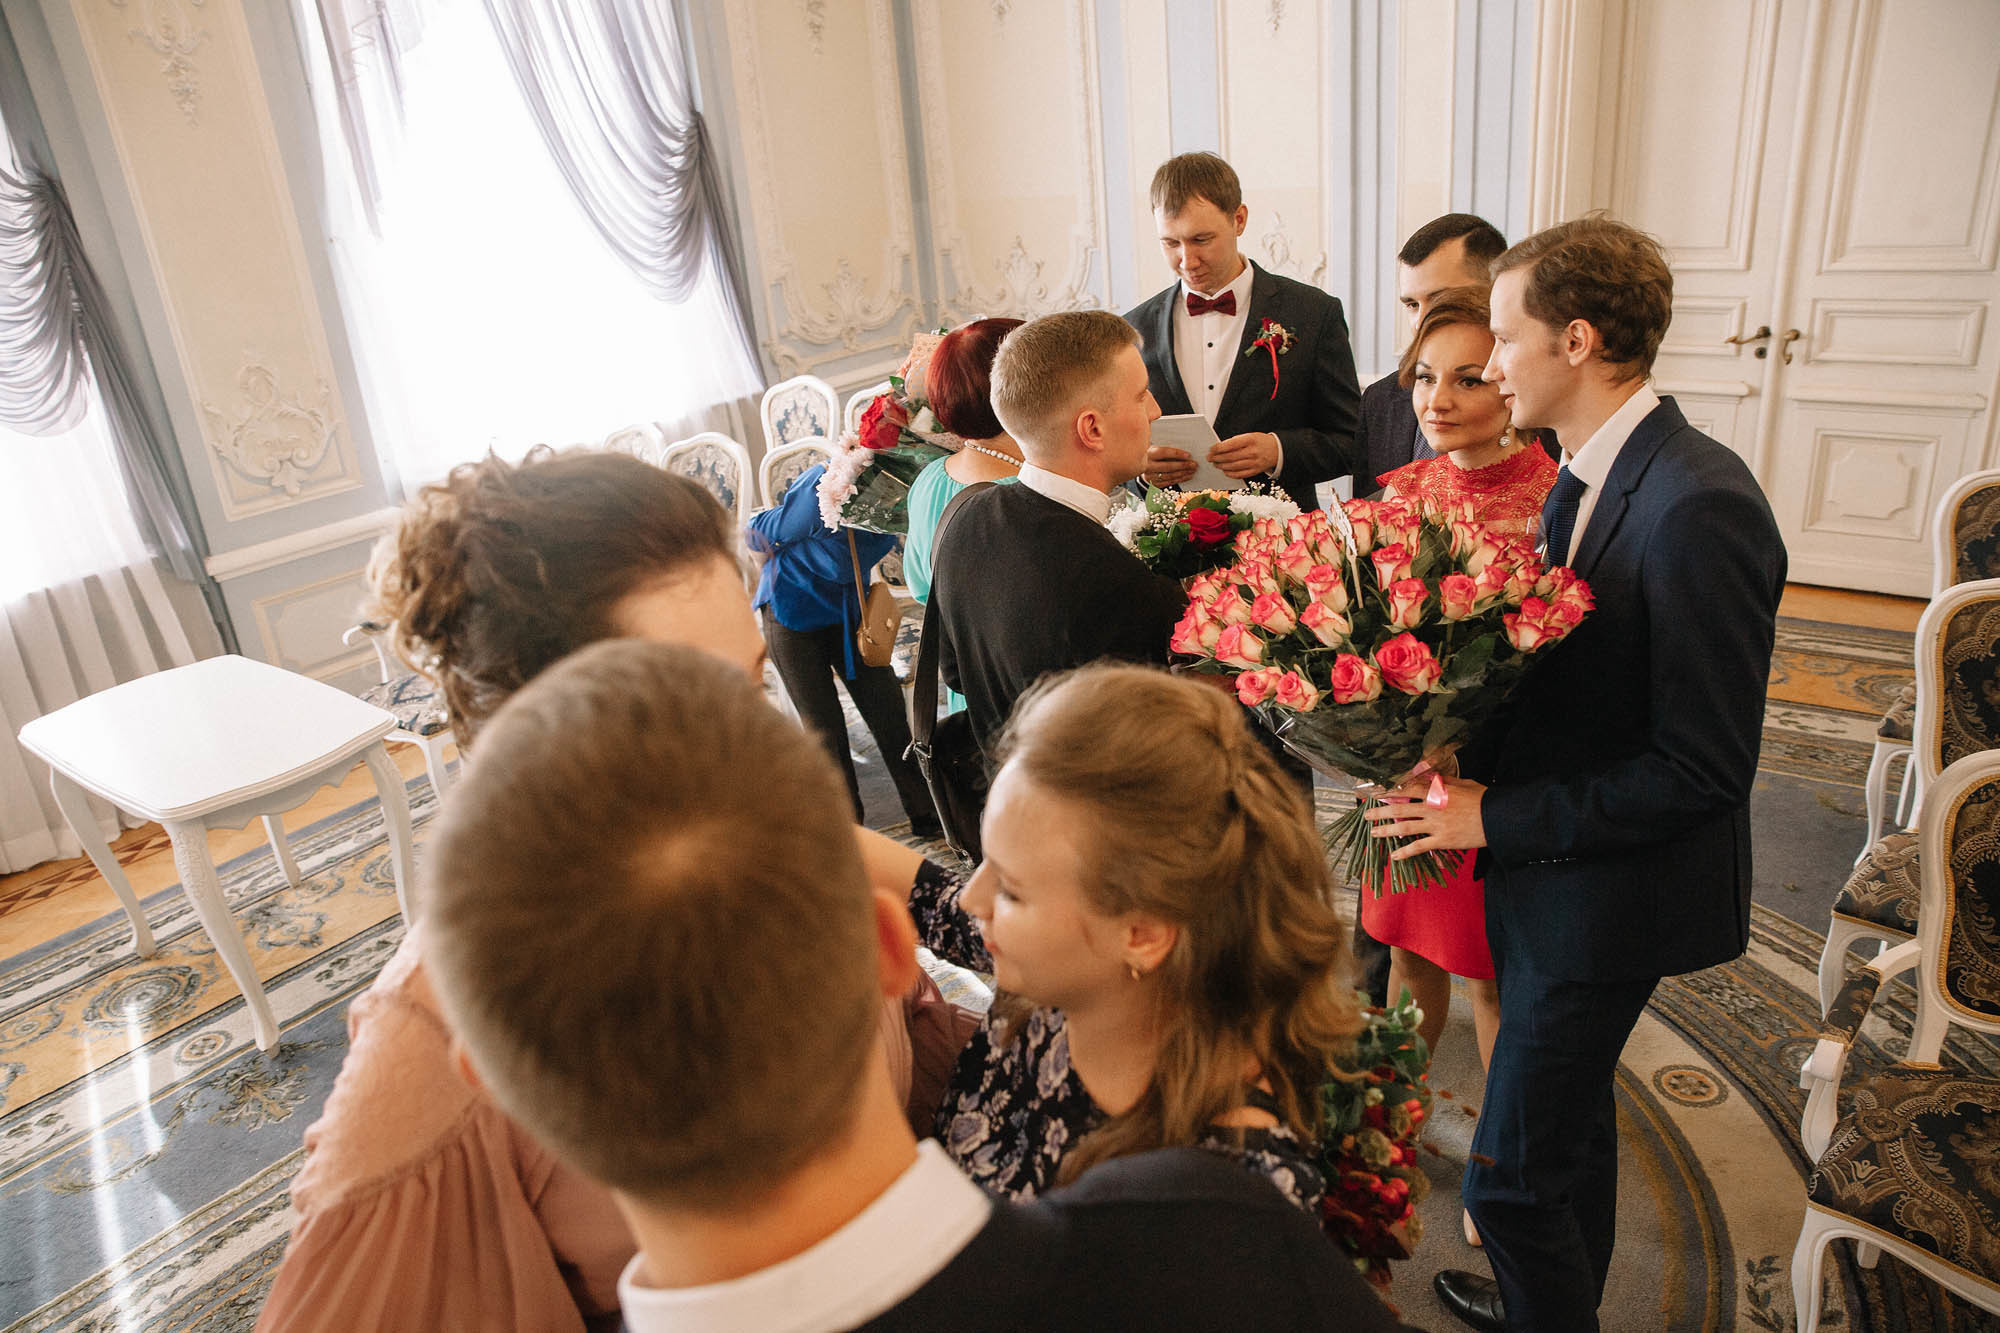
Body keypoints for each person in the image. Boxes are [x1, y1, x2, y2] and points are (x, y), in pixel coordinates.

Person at [422, 640, 1419, 1332]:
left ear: (495, 1081)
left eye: (1010, 886)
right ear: (889, 949)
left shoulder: (1233, 1176)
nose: (974, 899)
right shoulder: (1221, 1247)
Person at [257, 449, 970, 1333]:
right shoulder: (433, 1034)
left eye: (752, 682)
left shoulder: (766, 833)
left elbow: (932, 1051)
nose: (758, 737)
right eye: (689, 701)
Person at [1365, 217, 1787, 1332]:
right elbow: (1569, 684)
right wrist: (1453, 745)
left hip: (1612, 894)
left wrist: (1494, 817)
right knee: (1571, 1138)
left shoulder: (1698, 504)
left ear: (1578, 341)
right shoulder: (1588, 476)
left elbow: (1702, 768)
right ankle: (1546, 1301)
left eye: (1505, 338)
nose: (1492, 363)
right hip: (1553, 872)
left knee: (1510, 1179)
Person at [916, 662, 1366, 1224]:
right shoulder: (1070, 967)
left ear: (1142, 935)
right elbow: (919, 892)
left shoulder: (1221, 1201)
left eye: (1010, 889)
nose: (970, 899)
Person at [1364, 284, 1557, 1249]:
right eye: (1425, 377)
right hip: (1409, 769)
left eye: (1468, 378)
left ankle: (1499, 1163)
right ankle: (1393, 1123)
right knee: (1406, 954)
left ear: (1511, 381)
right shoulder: (1399, 492)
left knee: (1491, 979)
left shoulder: (1553, 496)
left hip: (1498, 778)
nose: (1437, 399)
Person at [931, 311, 1187, 765]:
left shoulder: (963, 516)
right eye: (1141, 395)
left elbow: (956, 673)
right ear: (1092, 429)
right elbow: (1146, 756)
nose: (1155, 410)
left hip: (1004, 794)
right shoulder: (1122, 585)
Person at [1126, 152, 1362, 512]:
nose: (1187, 261)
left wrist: (1278, 451)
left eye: (1201, 239)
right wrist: (1142, 472)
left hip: (1284, 535)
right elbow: (1111, 450)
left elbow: (1352, 441)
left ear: (1239, 219)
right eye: (1171, 243)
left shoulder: (1314, 313)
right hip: (1170, 536)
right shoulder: (1134, 328)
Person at [747, 461, 942, 839]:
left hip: (848, 613)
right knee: (825, 731)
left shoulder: (894, 501)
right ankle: (848, 834)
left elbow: (843, 563)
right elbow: (756, 532)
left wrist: (796, 546)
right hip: (790, 614)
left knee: (889, 715)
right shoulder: (821, 488)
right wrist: (781, 546)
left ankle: (928, 816)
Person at [903, 317, 1026, 717]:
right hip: (1025, 689)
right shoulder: (1027, 495)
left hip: (970, 684)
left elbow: (920, 587)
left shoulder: (929, 480)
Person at [1354, 214, 1510, 490]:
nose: (1422, 321)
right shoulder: (1380, 400)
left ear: (1495, 291)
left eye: (1442, 299)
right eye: (1412, 305)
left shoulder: (1545, 409)